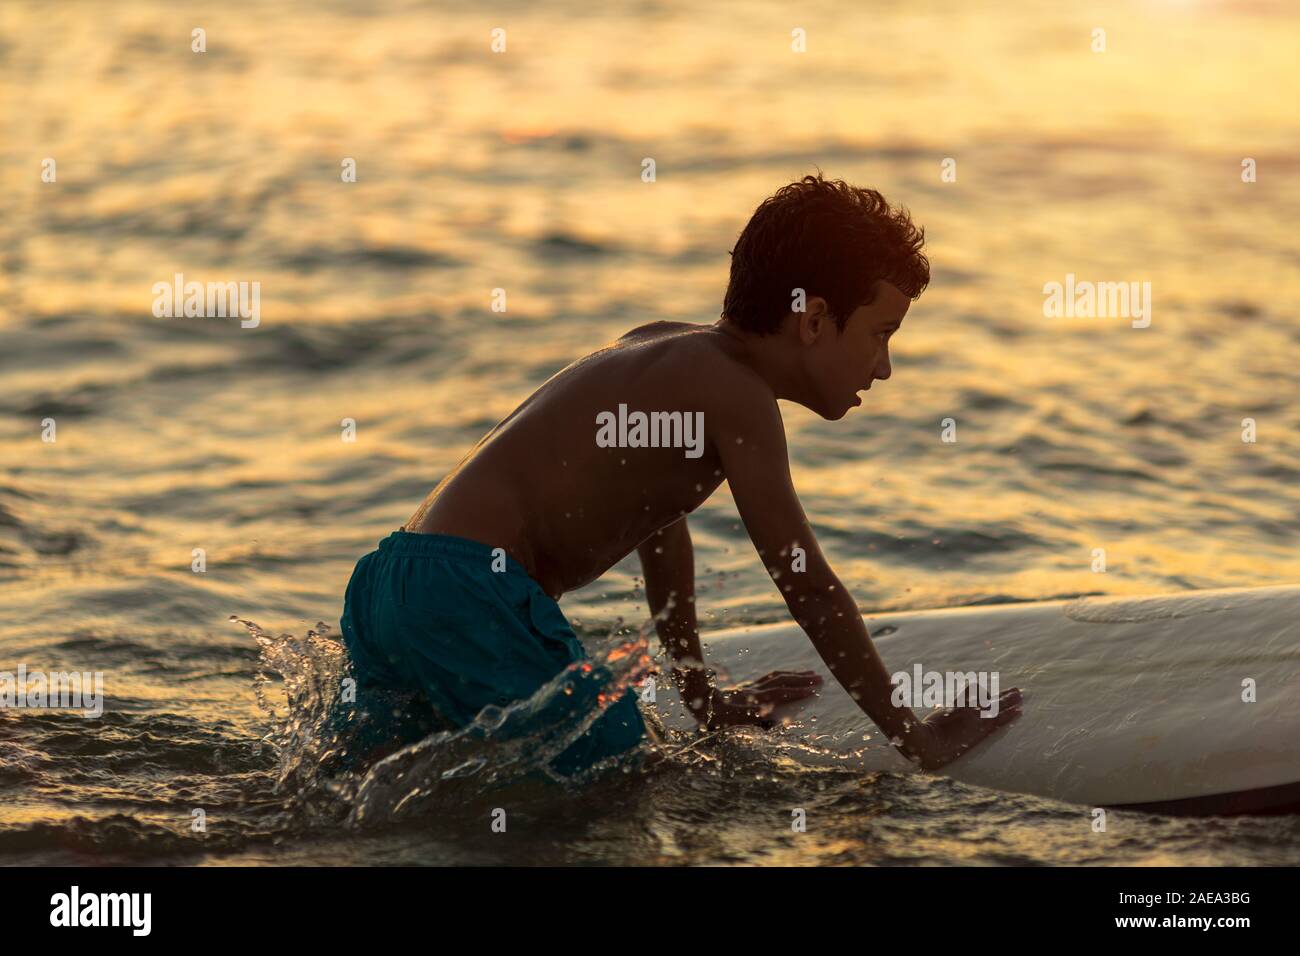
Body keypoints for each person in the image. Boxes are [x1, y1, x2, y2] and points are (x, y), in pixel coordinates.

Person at [339, 173, 1022, 776]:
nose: (884, 367)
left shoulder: (666, 345)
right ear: (814, 320)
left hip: (393, 585)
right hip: (463, 594)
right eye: (882, 333)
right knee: (614, 774)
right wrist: (915, 738)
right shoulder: (739, 397)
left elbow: (657, 522)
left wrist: (699, 694)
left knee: (379, 787)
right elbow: (805, 582)